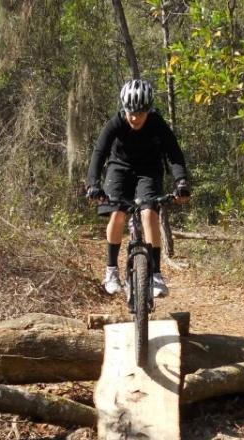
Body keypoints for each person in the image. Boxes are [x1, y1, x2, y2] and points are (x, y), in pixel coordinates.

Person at [86, 78, 190, 298]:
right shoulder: (116, 123)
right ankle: (111, 271)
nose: (134, 118)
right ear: (124, 109)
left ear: (148, 110)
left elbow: (173, 154)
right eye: (130, 112)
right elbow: (99, 153)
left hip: (149, 170)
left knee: (149, 212)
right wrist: (93, 184)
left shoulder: (156, 123)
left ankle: (155, 274)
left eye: (140, 113)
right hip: (119, 168)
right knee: (118, 214)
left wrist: (181, 182)